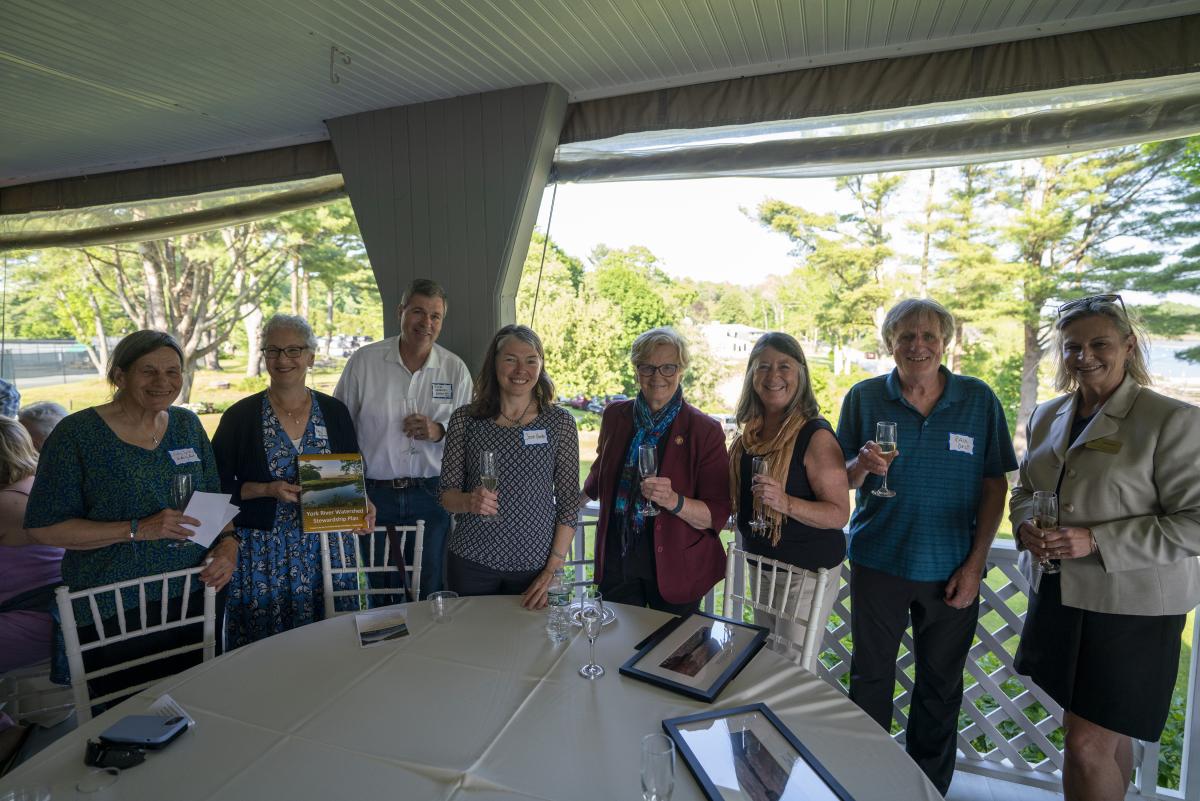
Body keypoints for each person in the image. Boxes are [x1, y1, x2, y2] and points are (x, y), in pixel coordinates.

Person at [1011, 295, 1200, 801]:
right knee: (1094, 732)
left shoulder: (1171, 419)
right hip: (1061, 596)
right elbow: (1025, 490)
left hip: (1132, 609)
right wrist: (1027, 523)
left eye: (1100, 344)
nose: (1085, 356)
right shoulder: (1048, 414)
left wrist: (1096, 539)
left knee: (1086, 743)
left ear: (1129, 345)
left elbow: (1195, 521)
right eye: (1073, 347)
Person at [836, 298, 1016, 796]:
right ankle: (868, 780)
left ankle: (925, 787)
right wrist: (860, 468)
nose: (918, 346)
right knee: (870, 678)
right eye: (906, 336)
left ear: (945, 342)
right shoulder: (864, 397)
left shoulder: (978, 399)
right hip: (879, 562)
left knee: (940, 687)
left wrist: (976, 565)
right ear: (889, 343)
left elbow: (993, 485)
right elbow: (842, 478)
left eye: (929, 336)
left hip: (951, 568)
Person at [24, 331, 237, 701]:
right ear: (119, 376)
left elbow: (213, 497)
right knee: (126, 712)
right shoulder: (77, 435)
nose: (163, 382)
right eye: (149, 371)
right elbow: (44, 528)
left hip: (191, 592)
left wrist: (230, 545)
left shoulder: (186, 425)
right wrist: (138, 529)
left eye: (173, 372)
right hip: (114, 604)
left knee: (198, 701)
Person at [213, 315, 376, 648]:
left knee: (332, 645)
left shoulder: (334, 411)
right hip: (263, 552)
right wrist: (264, 489)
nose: (283, 359)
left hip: (327, 548)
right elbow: (213, 487)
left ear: (310, 357)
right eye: (273, 351)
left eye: (293, 350)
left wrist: (364, 503)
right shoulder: (240, 416)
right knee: (267, 648)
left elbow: (350, 473)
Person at [334, 279, 472, 599]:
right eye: (418, 312)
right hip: (374, 495)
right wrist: (349, 495)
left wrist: (440, 431)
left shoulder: (455, 370)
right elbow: (339, 428)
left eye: (435, 316)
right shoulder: (364, 362)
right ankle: (386, 647)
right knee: (382, 588)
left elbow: (469, 433)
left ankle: (428, 649)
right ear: (401, 312)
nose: (426, 323)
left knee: (431, 586)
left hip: (431, 492)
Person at [583, 327, 729, 615]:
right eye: (648, 367)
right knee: (617, 649)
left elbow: (717, 515)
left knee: (670, 656)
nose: (657, 376)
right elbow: (600, 473)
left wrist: (674, 501)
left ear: (681, 370)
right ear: (636, 370)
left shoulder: (704, 430)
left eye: (668, 367)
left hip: (676, 568)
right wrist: (563, 508)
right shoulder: (616, 415)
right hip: (618, 559)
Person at [728, 333, 849, 659]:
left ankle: (791, 713)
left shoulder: (815, 435)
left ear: (801, 374)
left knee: (792, 665)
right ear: (752, 374)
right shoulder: (750, 433)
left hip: (805, 573)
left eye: (785, 366)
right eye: (763, 366)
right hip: (762, 563)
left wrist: (786, 503)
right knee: (767, 657)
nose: (773, 376)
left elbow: (839, 514)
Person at [439, 325, 578, 607]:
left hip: (536, 566)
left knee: (532, 647)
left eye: (531, 360)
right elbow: (445, 495)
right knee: (474, 645)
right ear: (495, 362)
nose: (520, 370)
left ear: (541, 366)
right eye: (510, 359)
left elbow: (569, 502)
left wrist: (553, 568)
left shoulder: (559, 422)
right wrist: (468, 501)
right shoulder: (465, 420)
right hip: (471, 561)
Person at [0, 418, 61, 765]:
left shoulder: (6, 504)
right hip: (56, 613)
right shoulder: (36, 485)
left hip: (35, 619)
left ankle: (6, 734)